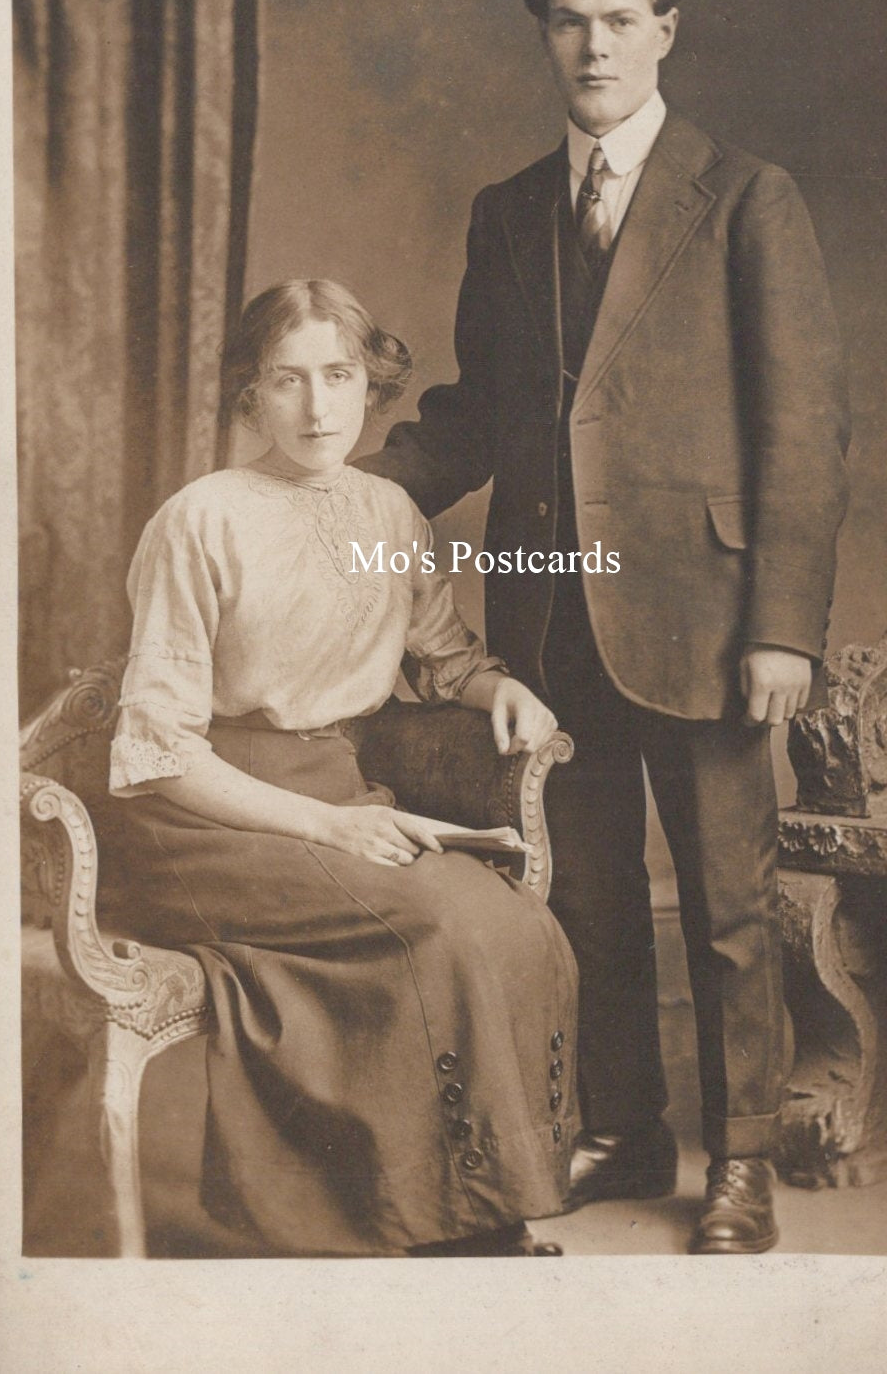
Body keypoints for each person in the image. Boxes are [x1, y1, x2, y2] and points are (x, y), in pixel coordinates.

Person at [359, 0, 851, 1253]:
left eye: (617, 18)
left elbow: (799, 431)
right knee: (581, 895)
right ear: (545, 36)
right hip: (547, 611)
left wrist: (783, 631)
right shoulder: (509, 211)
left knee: (726, 898)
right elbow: (475, 412)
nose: (592, 45)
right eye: (569, 20)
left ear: (664, 29)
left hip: (706, 619)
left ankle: (736, 1158)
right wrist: (351, 485)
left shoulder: (746, 196)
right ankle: (623, 1126)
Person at [99, 277, 578, 1258]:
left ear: (372, 384)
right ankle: (425, 1216)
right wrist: (327, 826)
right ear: (251, 394)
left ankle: (482, 1200)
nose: (317, 408)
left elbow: (446, 660)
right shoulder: (200, 519)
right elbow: (155, 750)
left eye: (338, 375)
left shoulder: (391, 512)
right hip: (204, 814)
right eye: (287, 380)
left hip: (333, 788)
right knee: (435, 920)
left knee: (512, 921)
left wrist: (501, 695)